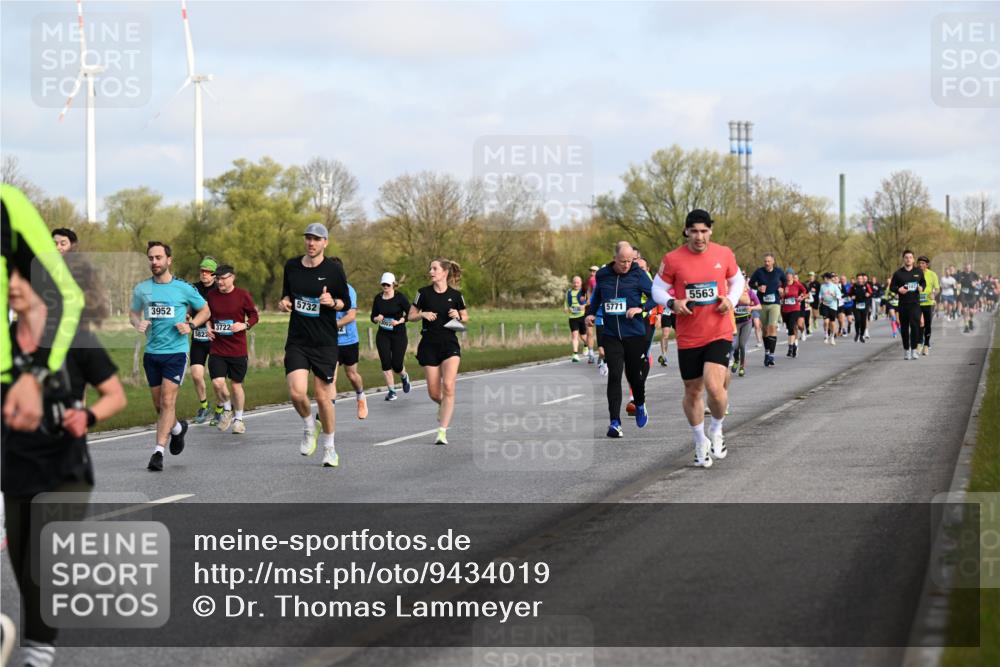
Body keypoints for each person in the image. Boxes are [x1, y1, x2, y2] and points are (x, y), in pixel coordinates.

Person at [2, 255, 126, 667]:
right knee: (23, 566)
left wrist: (87, 416)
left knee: (41, 558)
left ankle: (39, 651)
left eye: (24, 280)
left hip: (65, 472)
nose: (14, 286)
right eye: (10, 279)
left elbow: (115, 396)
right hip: (16, 470)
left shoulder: (74, 340)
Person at [653, 209, 743, 467]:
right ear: (686, 232)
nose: (699, 237)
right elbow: (656, 288)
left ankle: (716, 429)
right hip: (689, 335)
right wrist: (673, 302)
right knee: (692, 391)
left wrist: (731, 300)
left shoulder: (723, 253)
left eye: (704, 231)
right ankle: (699, 441)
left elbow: (737, 281)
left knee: (713, 385)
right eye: (694, 231)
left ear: (710, 231)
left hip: (719, 331)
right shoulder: (672, 259)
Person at [2, 185, 84, 435]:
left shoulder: (8, 204)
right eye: (55, 242)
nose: (58, 246)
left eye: (63, 243)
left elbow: (69, 299)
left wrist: (36, 374)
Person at [131, 241, 211, 472]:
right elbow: (133, 313)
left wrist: (192, 325)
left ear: (169, 260)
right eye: (151, 258)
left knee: (168, 401)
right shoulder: (142, 289)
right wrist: (139, 322)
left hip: (175, 353)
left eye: (158, 257)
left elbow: (205, 310)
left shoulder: (183, 288)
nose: (154, 262)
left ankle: (158, 452)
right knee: (160, 406)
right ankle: (177, 429)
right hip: (152, 354)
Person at [278, 223, 351, 468]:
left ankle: (330, 448)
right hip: (298, 339)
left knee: (322, 397)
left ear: (325, 243)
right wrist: (285, 302)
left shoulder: (334, 270)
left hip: (325, 342)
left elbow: (346, 303)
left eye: (317, 239)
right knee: (297, 392)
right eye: (308, 238)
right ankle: (310, 426)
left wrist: (333, 302)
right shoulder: (292, 266)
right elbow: (286, 294)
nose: (311, 243)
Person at [585, 242, 652, 437]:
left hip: (634, 333)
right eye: (622, 261)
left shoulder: (638, 274)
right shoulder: (603, 274)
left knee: (634, 376)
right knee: (614, 375)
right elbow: (597, 297)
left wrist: (642, 309)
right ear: (614, 258)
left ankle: (639, 403)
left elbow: (655, 296)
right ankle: (615, 423)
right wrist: (590, 314)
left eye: (630, 261)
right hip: (612, 333)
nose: (626, 265)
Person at [409, 258, 469, 445]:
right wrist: (422, 314)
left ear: (444, 273)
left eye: (435, 268)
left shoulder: (456, 295)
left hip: (450, 344)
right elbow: (410, 316)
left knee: (449, 386)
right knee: (435, 393)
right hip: (429, 345)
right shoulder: (423, 293)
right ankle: (444, 406)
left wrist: (459, 315)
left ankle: (442, 431)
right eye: (430, 268)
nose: (431, 271)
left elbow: (466, 318)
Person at [204, 264, 258, 434]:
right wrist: (207, 326)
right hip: (218, 348)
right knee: (217, 382)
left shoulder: (242, 295)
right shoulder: (211, 295)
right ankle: (227, 408)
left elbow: (255, 315)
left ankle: (239, 420)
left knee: (236, 386)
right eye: (217, 278)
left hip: (237, 349)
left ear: (232, 278)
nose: (219, 282)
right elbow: (206, 315)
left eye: (222, 278)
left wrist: (244, 324)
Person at [329, 263, 368, 420]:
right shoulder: (323, 290)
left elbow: (351, 316)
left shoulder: (349, 290)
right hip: (331, 342)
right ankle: (328, 409)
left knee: (352, 375)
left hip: (349, 340)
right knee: (330, 378)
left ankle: (360, 396)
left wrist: (331, 326)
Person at [371, 272, 412, 401]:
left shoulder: (400, 298)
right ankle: (392, 391)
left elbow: (411, 314)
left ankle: (404, 377)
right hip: (383, 334)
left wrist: (400, 321)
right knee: (386, 363)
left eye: (388, 284)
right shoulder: (378, 298)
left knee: (397, 365)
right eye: (383, 284)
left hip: (398, 334)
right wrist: (377, 318)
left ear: (393, 284)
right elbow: (373, 316)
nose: (385, 286)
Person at [189, 256, 218, 425]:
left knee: (217, 379)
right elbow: (188, 305)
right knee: (196, 374)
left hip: (214, 339)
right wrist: (186, 315)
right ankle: (204, 405)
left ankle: (221, 410)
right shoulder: (193, 288)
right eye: (202, 271)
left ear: (214, 275)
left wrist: (210, 323)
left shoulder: (218, 289)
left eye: (207, 272)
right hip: (198, 339)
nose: (204, 274)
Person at [748, 253, 786, 367]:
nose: (767, 263)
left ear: (773, 261)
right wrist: (758, 287)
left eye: (769, 261)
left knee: (772, 327)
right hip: (762, 304)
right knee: (764, 330)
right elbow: (750, 283)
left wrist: (782, 289)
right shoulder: (759, 272)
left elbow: (785, 283)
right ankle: (767, 352)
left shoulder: (779, 272)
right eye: (765, 261)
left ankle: (772, 356)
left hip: (775, 303)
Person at [889, 250, 926, 360]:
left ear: (913, 259)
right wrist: (898, 289)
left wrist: (921, 288)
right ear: (903, 259)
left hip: (915, 304)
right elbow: (892, 287)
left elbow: (923, 282)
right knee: (904, 328)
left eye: (910, 257)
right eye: (906, 257)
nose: (908, 259)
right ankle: (906, 350)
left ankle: (914, 350)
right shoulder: (898, 273)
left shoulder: (918, 271)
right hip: (903, 304)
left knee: (915, 327)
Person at [731, 279, 760, 376]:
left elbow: (759, 306)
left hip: (746, 322)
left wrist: (751, 308)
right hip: (735, 322)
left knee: (742, 345)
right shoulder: (733, 293)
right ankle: (736, 360)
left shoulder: (750, 293)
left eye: (744, 285)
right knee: (735, 345)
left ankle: (742, 366)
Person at [781, 268, 808, 358]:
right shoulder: (783, 285)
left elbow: (805, 291)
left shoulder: (797, 284)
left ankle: (790, 347)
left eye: (790, 274)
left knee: (792, 326)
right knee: (789, 328)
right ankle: (794, 346)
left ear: (793, 276)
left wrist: (801, 296)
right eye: (787, 274)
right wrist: (783, 293)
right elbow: (780, 296)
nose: (788, 276)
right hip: (785, 310)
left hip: (795, 309)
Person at [916, 256, 939, 355]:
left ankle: (926, 345)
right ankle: (919, 343)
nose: (921, 265)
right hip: (917, 302)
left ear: (927, 265)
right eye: (919, 263)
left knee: (927, 324)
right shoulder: (914, 274)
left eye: (923, 263)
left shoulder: (932, 274)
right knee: (920, 323)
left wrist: (934, 294)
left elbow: (937, 288)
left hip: (929, 302)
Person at [564, 276, 589, 362]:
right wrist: (566, 309)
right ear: (572, 283)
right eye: (574, 282)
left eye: (577, 282)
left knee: (583, 336)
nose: (576, 284)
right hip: (572, 317)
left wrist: (584, 306)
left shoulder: (584, 292)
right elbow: (565, 303)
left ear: (581, 283)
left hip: (582, 316)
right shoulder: (569, 292)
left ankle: (586, 345)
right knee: (574, 335)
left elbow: (589, 302)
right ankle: (575, 354)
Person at [955, 263, 979, 333]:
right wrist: (957, 286)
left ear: (970, 268)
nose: (967, 269)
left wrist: (975, 283)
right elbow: (956, 283)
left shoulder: (974, 274)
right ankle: (966, 326)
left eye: (968, 268)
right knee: (965, 310)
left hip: (972, 294)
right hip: (963, 294)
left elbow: (979, 281)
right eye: (966, 268)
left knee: (971, 311)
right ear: (964, 268)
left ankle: (970, 320)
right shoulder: (960, 275)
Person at [848, 274, 872, 342]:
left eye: (861, 278)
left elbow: (871, 293)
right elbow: (849, 293)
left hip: (865, 305)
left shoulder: (866, 285)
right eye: (858, 278)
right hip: (856, 305)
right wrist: (852, 296)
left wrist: (868, 294)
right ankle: (857, 333)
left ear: (863, 279)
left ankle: (861, 335)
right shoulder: (853, 286)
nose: (860, 280)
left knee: (863, 321)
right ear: (857, 279)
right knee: (857, 320)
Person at [819, 272, 841, 344]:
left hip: (833, 306)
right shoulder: (822, 286)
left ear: (829, 279)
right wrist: (820, 298)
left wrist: (834, 295)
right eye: (823, 278)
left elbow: (839, 296)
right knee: (826, 321)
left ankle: (832, 337)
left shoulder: (834, 286)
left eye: (825, 278)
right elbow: (820, 294)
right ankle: (826, 335)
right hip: (825, 305)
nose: (824, 279)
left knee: (832, 323)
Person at [585, 265, 599, 363]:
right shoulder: (590, 280)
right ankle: (591, 353)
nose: (592, 273)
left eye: (594, 271)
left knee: (601, 332)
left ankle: (602, 353)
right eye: (591, 271)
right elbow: (589, 290)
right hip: (591, 307)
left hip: (600, 308)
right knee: (589, 331)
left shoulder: (603, 279)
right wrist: (589, 299)